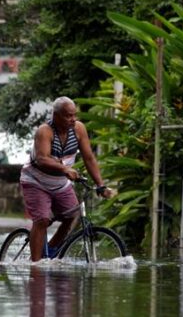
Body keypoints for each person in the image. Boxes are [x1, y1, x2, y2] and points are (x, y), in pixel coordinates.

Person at [20, 96, 115, 262]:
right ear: (55, 116)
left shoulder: (79, 129)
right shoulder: (45, 131)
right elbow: (42, 158)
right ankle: (35, 266)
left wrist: (101, 184)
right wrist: (65, 168)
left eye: (74, 115)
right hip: (36, 181)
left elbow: (89, 158)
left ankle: (51, 250)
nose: (73, 119)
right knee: (42, 219)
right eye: (68, 116)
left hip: (60, 183)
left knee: (71, 215)